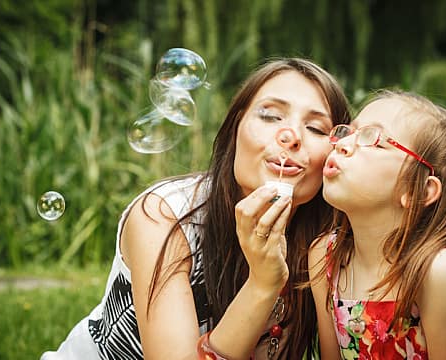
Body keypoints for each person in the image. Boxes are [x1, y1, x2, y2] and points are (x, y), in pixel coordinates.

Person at [41, 57, 351, 360]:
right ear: (235, 128)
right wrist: (263, 282)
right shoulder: (165, 215)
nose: (291, 136)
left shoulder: (321, 248)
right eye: (270, 116)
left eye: (316, 128)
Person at [308, 90, 446, 359]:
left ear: (419, 191)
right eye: (349, 132)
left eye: (374, 139)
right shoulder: (324, 256)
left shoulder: (438, 272)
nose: (342, 144)